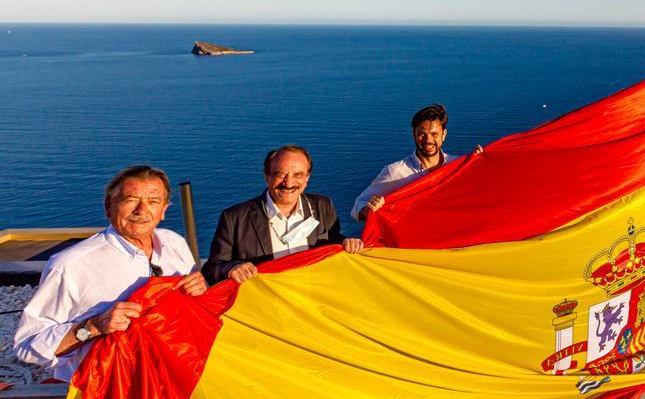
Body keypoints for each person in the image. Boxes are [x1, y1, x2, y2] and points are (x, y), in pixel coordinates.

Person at [13, 166, 207, 382]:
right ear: (108, 207)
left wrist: (201, 294)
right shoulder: (71, 265)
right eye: (131, 200)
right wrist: (93, 327)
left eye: (153, 202)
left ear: (163, 211)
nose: (142, 211)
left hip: (173, 377)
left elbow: (194, 314)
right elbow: (27, 345)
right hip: (105, 390)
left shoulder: (175, 244)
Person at [202, 145, 364, 284]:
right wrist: (231, 269)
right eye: (280, 174)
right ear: (267, 177)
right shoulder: (235, 218)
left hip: (313, 301)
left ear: (307, 178)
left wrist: (346, 242)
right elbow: (210, 270)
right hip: (265, 307)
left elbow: (333, 240)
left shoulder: (322, 205)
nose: (288, 183)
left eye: (298, 175)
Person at [352, 104, 480, 221]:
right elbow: (359, 204)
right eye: (422, 134)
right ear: (414, 134)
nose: (428, 140)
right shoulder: (396, 172)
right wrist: (368, 209)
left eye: (434, 134)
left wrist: (481, 164)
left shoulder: (459, 166)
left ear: (444, 135)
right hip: (414, 243)